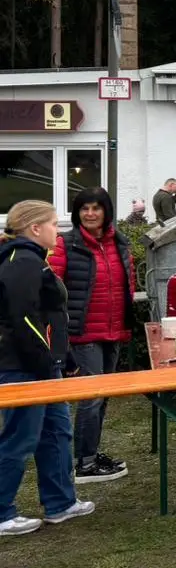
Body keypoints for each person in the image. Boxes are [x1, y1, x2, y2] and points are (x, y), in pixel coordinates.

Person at [0, 201, 95, 536]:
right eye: (55, 223)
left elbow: (50, 318)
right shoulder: (20, 262)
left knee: (56, 432)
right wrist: (44, 362)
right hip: (23, 369)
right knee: (20, 437)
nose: (60, 230)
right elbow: (23, 320)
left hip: (46, 366)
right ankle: (2, 512)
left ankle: (60, 502)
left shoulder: (34, 260)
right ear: (34, 228)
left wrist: (64, 358)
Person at [48, 188, 135, 484]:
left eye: (96, 208)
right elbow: (52, 288)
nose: (90, 214)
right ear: (77, 212)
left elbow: (128, 284)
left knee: (103, 396)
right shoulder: (66, 243)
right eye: (84, 208)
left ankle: (91, 453)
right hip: (83, 333)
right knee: (91, 397)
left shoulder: (119, 243)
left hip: (114, 330)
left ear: (106, 211)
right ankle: (82, 462)